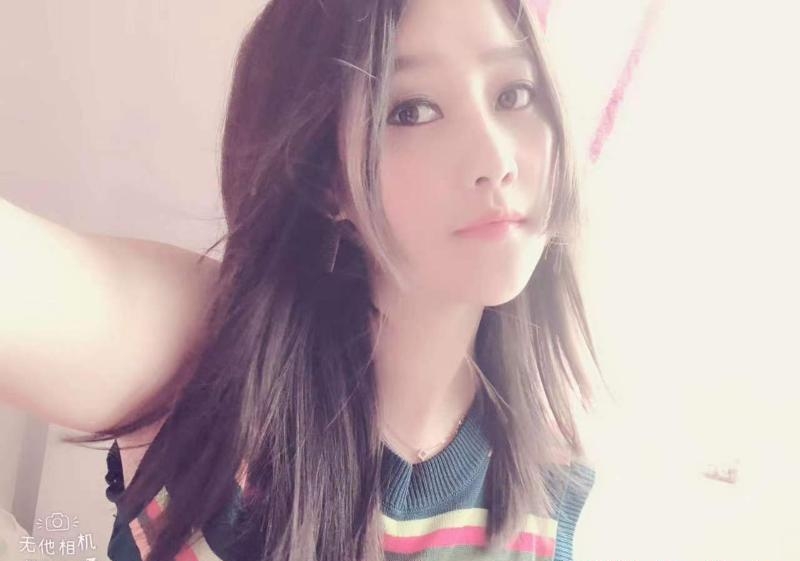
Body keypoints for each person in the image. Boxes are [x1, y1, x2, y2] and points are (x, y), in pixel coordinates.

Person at [0, 0, 605, 559]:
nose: (496, 160)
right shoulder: (212, 353)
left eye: (514, 94)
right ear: (327, 178)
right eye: (411, 111)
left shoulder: (548, 469)